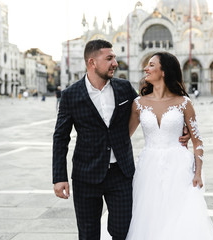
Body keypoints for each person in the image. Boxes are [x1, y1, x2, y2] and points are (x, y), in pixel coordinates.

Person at [52, 40, 189, 240]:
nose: (115, 63)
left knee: (124, 231)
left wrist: (179, 126)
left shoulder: (124, 88)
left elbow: (149, 109)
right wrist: (59, 177)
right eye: (109, 58)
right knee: (88, 233)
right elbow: (60, 137)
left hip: (121, 174)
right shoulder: (70, 95)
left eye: (114, 57)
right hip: (86, 176)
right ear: (92, 62)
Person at [127, 52, 213, 240]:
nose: (146, 68)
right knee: (150, 218)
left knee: (178, 218)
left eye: (151, 65)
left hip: (179, 167)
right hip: (148, 167)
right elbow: (124, 137)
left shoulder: (184, 103)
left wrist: (198, 173)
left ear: (164, 71)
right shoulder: (138, 104)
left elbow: (198, 141)